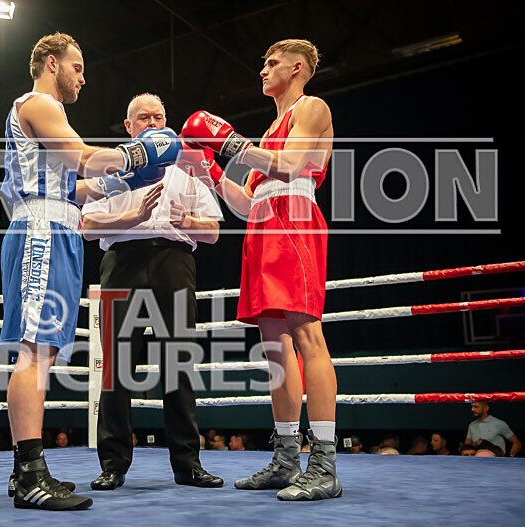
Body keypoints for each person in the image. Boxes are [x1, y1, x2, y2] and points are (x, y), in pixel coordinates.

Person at [1, 32, 180, 511]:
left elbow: (74, 187)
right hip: (41, 231)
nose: (83, 77)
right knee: (35, 351)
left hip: (57, 226)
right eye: (77, 67)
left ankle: (24, 470)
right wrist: (139, 153)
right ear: (52, 63)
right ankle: (30, 474)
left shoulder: (50, 115)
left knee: (42, 351)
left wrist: (124, 181)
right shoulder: (39, 104)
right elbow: (84, 158)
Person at [180, 39, 339, 500]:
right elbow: (247, 202)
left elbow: (290, 167)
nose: (263, 71)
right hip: (263, 227)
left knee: (307, 335)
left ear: (297, 68)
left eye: (272, 64)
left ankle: (324, 465)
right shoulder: (269, 131)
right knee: (274, 346)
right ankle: (287, 458)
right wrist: (211, 170)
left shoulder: (312, 108)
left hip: (295, 221)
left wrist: (231, 143)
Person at [82, 93, 223, 491]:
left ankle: (187, 463)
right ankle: (112, 464)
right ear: (129, 127)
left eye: (159, 116)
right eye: (144, 118)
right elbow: (87, 227)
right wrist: (133, 217)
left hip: (173, 259)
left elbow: (213, 231)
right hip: (122, 261)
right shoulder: (112, 167)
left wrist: (186, 220)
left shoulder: (187, 167)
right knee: (117, 366)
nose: (153, 123)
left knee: (178, 362)